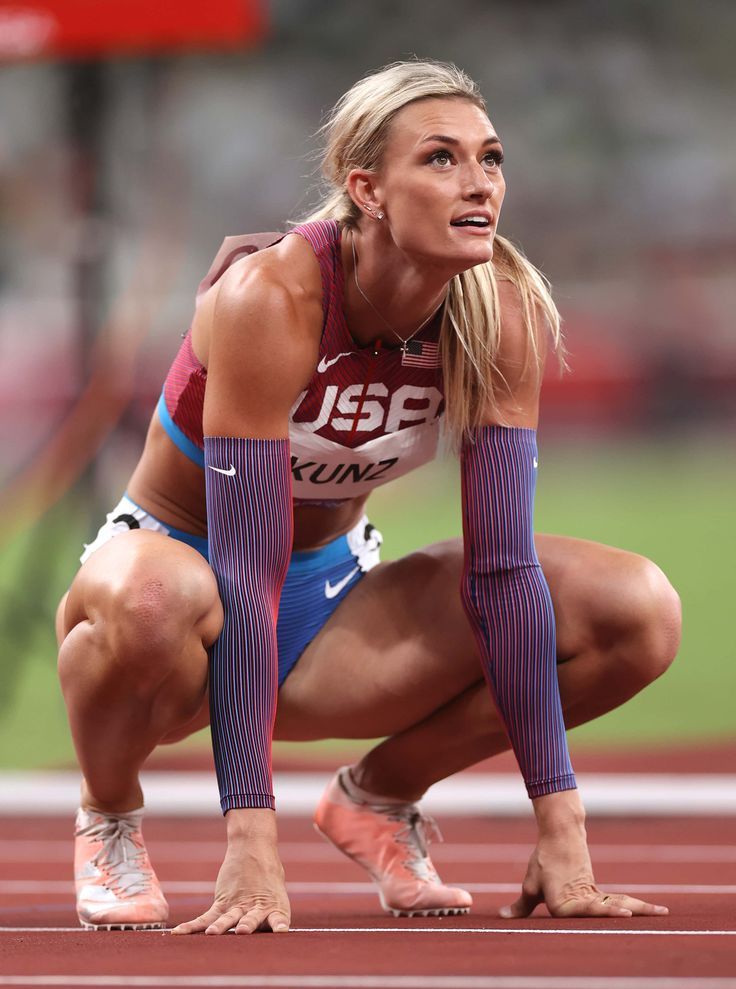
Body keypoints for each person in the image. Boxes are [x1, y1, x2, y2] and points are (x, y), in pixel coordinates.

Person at [56, 60, 681, 934]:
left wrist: (562, 827)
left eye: (491, 158)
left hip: (328, 594)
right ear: (367, 188)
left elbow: (502, 572)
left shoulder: (498, 309)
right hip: (175, 585)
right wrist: (250, 842)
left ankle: (379, 797)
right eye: (440, 159)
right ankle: (110, 815)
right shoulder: (271, 296)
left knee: (636, 610)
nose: (479, 184)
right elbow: (242, 568)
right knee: (163, 596)